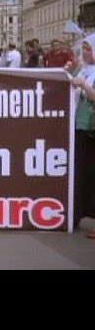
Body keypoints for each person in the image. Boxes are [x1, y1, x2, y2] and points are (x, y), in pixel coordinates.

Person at [69, 33, 95, 238]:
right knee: (81, 173)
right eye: (83, 48)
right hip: (82, 126)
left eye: (88, 48)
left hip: (91, 128)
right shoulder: (85, 70)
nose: (85, 52)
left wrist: (83, 85)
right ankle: (77, 212)